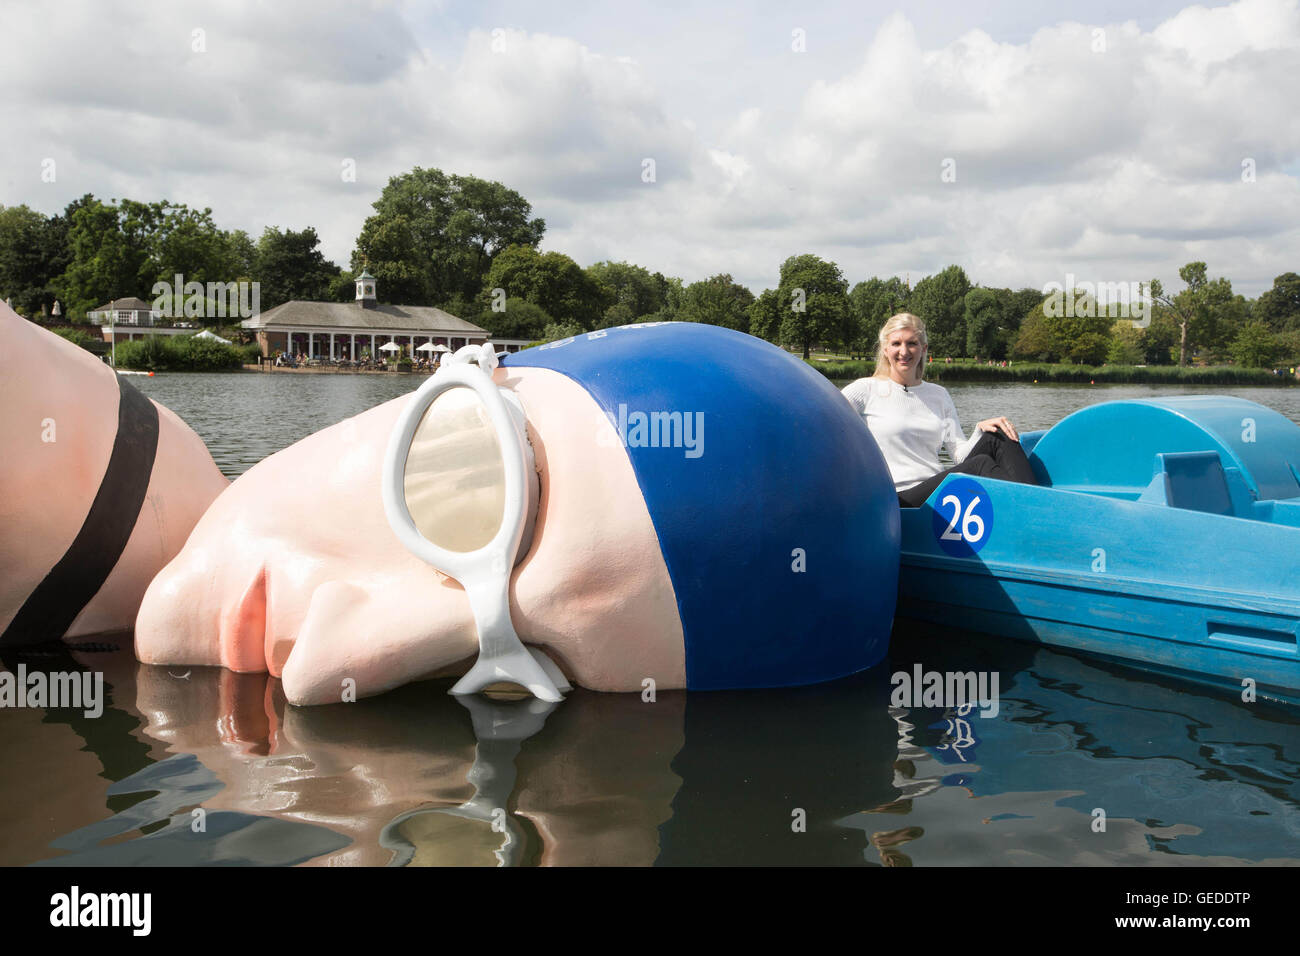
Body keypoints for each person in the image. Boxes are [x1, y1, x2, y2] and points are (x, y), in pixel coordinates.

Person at [842, 312, 1037, 508]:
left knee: (998, 432)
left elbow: (958, 455)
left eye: (912, 343)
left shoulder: (939, 395)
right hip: (898, 498)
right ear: (885, 349)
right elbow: (826, 418)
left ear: (923, 348)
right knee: (981, 464)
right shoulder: (865, 390)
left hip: (935, 489)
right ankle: (1033, 509)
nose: (904, 351)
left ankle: (1038, 503)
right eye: (896, 344)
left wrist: (979, 430)